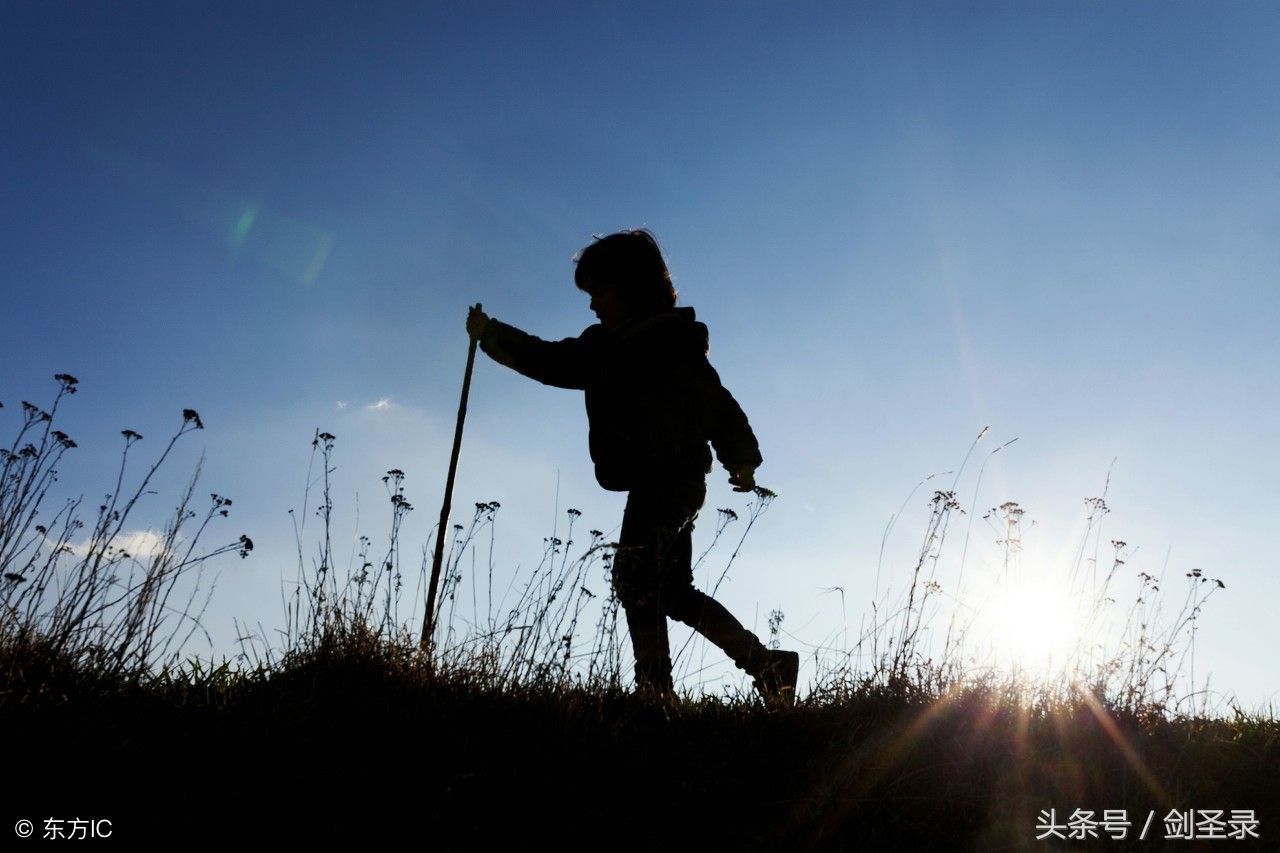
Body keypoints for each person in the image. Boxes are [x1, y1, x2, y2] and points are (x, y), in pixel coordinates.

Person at [465, 229, 798, 706]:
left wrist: (740, 457)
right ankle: (766, 664)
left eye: (600, 291)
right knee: (670, 589)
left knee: (636, 579)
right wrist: (493, 336)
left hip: (670, 476)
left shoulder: (667, 345)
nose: (593, 304)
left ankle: (655, 691)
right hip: (663, 479)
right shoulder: (607, 347)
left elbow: (716, 404)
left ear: (633, 287)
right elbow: (552, 361)